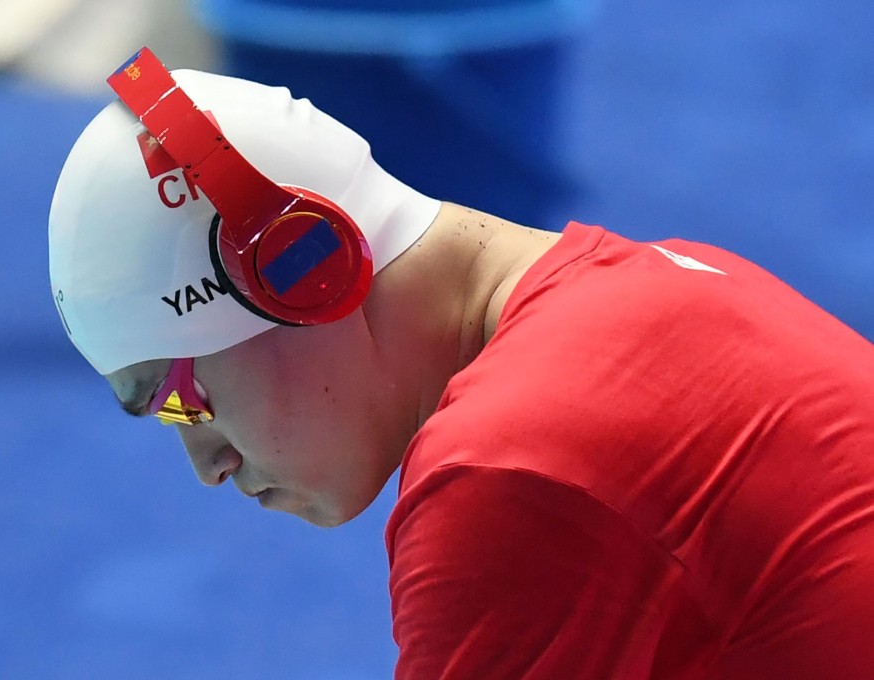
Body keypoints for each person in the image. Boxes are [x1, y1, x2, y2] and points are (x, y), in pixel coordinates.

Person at [48, 48, 874, 679]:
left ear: (303, 269)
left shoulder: (512, 466)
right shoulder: (666, 279)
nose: (207, 463)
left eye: (178, 399)